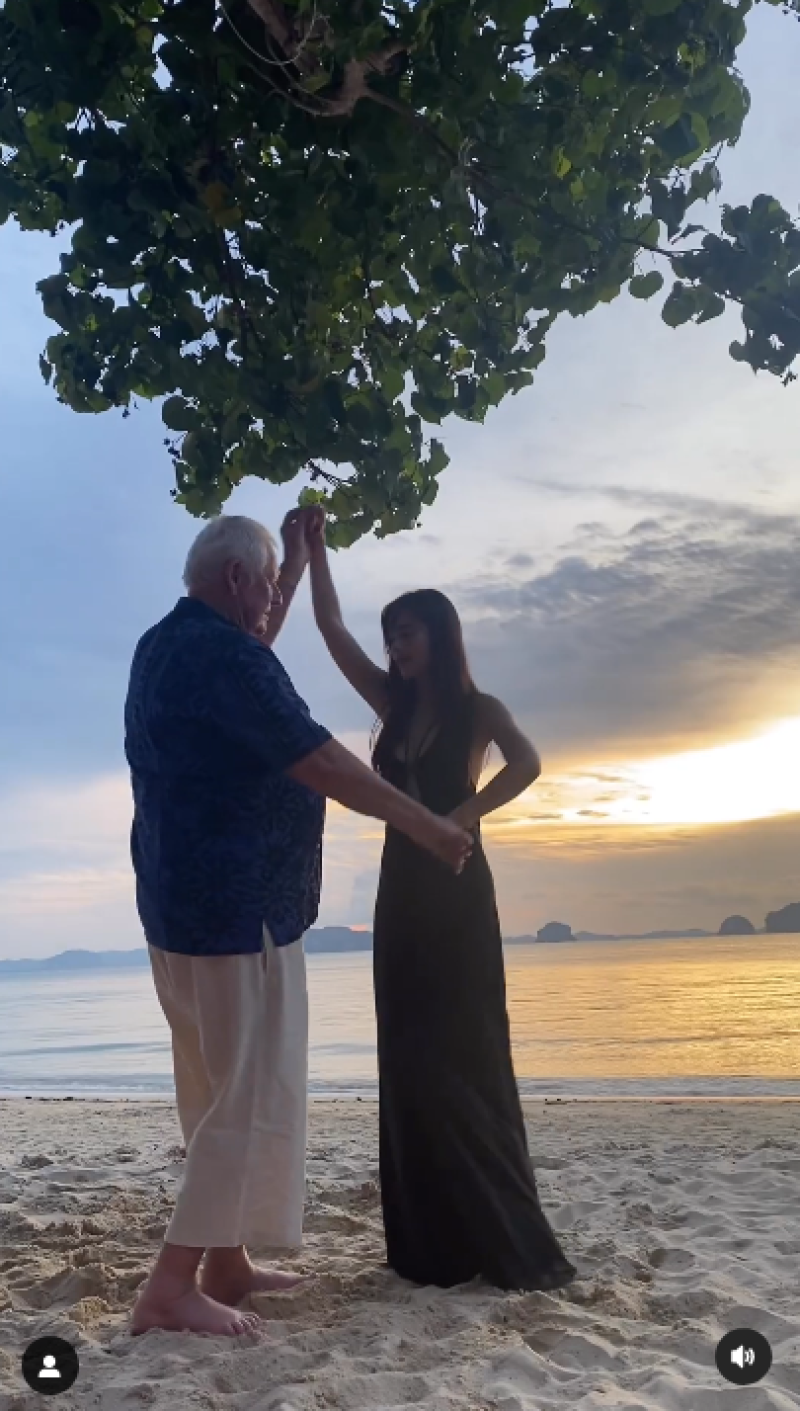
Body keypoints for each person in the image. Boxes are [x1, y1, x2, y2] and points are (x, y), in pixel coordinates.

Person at [124, 510, 472, 1337]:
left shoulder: (166, 644)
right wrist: (425, 823)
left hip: (178, 907)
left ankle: (226, 1262)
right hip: (236, 911)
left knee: (213, 1090)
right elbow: (319, 758)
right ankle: (169, 1287)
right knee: (241, 1100)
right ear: (236, 579)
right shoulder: (228, 658)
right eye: (266, 585)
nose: (269, 606)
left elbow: (253, 641)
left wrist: (293, 559)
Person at [305, 507, 576, 1291]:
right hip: (400, 892)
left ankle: (499, 1230)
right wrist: (314, 551)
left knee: (466, 1051)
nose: (395, 647)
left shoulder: (479, 709)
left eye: (407, 633)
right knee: (412, 1054)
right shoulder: (391, 704)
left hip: (458, 887)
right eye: (391, 635)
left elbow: (527, 764)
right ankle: (431, 1245)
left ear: (440, 635)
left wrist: (463, 812)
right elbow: (330, 629)